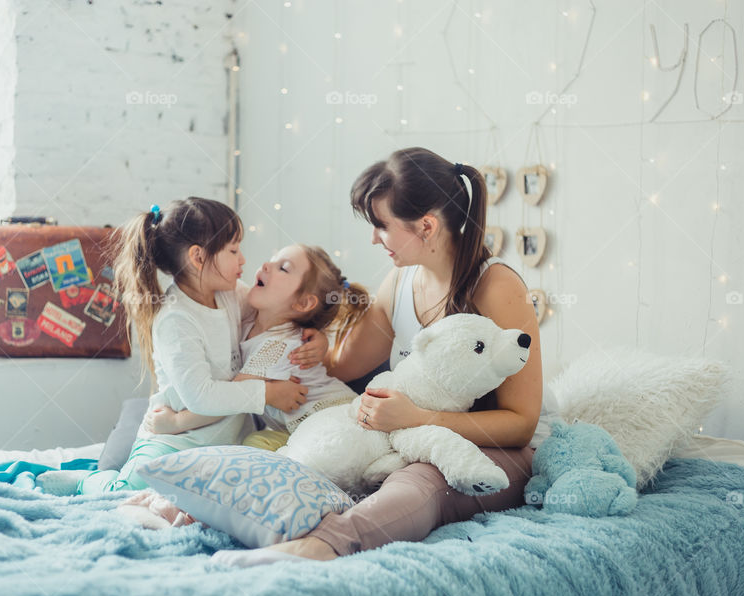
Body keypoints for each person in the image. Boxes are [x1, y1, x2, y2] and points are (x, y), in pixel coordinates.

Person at [213, 147, 558, 566]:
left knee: (420, 481)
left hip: (502, 450)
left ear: (426, 226)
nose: (373, 238)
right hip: (413, 436)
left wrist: (418, 419)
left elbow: (521, 425)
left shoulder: (497, 287)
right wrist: (319, 345)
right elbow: (344, 367)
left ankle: (323, 546)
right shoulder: (401, 280)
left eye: (381, 225)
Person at [36, 198, 324, 495]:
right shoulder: (176, 320)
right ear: (198, 258)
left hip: (228, 438)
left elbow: (274, 314)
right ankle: (88, 482)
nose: (243, 261)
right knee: (128, 490)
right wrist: (269, 393)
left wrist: (317, 334)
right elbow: (201, 396)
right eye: (233, 250)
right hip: (176, 438)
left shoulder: (229, 295)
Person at [145, 243, 368, 451]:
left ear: (303, 303)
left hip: (330, 419)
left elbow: (231, 401)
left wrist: (175, 422)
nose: (266, 265)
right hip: (300, 428)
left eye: (283, 268)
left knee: (253, 446)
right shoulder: (249, 320)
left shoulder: (277, 346)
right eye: (272, 259)